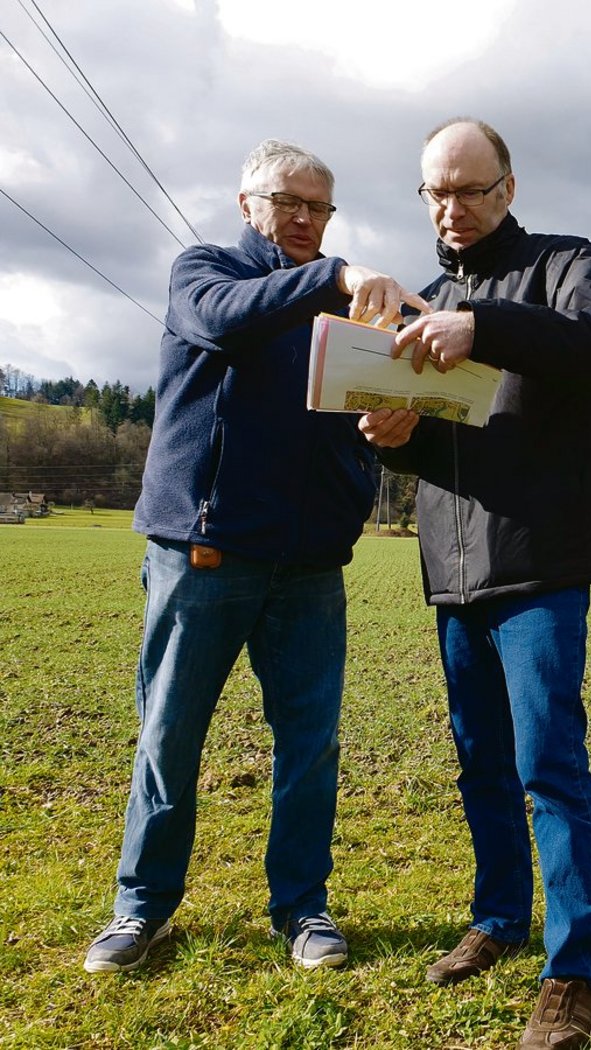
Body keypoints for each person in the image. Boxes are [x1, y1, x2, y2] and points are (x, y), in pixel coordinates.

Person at [83, 139, 427, 974]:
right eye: (290, 203)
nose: (306, 221)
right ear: (248, 205)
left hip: (310, 567)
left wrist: (385, 431)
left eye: (321, 208)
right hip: (205, 554)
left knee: (309, 745)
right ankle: (141, 909)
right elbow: (223, 320)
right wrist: (338, 274)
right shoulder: (204, 272)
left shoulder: (342, 320)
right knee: (170, 736)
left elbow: (361, 419)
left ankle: (302, 909)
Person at [362, 118, 591, 1049]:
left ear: (507, 190)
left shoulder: (564, 265)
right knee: (480, 761)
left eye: (471, 190)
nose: (452, 208)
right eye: (436, 192)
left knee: (548, 766)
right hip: (453, 573)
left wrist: (481, 325)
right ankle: (496, 917)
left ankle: (572, 973)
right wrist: (398, 435)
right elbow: (451, 434)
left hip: (541, 565)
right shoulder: (422, 300)